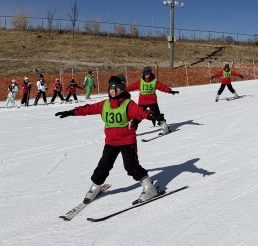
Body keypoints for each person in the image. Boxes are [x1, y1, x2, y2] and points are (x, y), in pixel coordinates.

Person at [55, 75, 161, 205]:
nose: (112, 90)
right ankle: (95, 186)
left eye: (115, 88)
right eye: (110, 87)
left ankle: (149, 187)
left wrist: (149, 115)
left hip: (127, 141)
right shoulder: (105, 104)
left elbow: (140, 111)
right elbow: (88, 109)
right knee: (103, 165)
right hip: (111, 142)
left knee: (131, 166)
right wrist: (71, 112)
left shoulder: (128, 104)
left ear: (122, 89)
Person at [126, 66, 178, 135]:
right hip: (142, 102)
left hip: (152, 101)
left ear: (151, 73)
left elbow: (162, 87)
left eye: (148, 73)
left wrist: (169, 91)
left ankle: (165, 127)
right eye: (145, 73)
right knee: (138, 115)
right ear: (143, 73)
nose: (147, 74)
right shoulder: (140, 82)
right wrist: (123, 90)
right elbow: (132, 87)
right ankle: (132, 130)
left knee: (157, 114)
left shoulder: (154, 81)